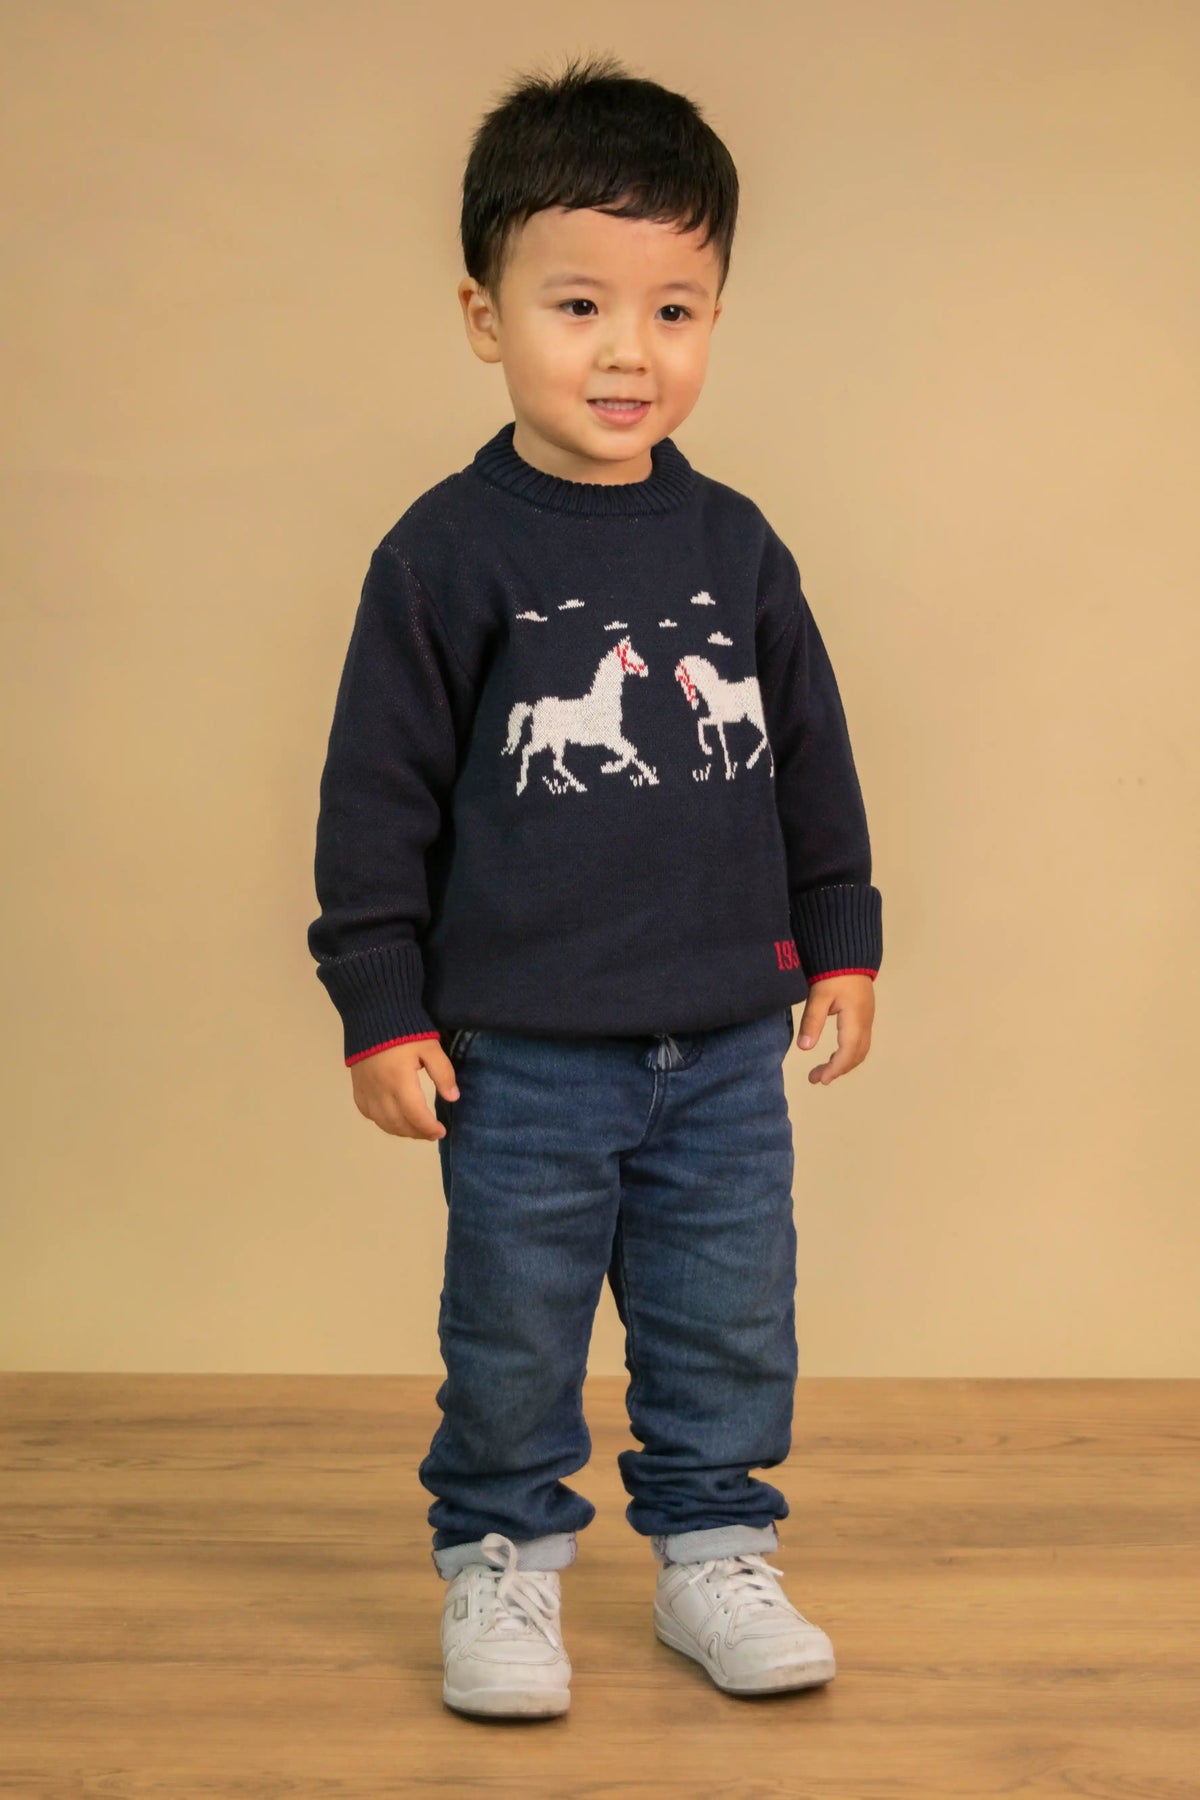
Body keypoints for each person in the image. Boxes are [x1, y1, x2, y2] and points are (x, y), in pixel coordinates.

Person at [306, 51, 882, 1721]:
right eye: (579, 306)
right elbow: (375, 799)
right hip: (524, 1053)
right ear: (484, 316)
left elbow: (810, 758)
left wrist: (840, 943)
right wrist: (380, 1008)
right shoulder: (442, 554)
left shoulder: (737, 547)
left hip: (727, 1045)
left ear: (713, 320)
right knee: (514, 1329)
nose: (630, 351)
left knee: (728, 1320)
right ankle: (499, 1560)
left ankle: (715, 1550)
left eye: (674, 311)